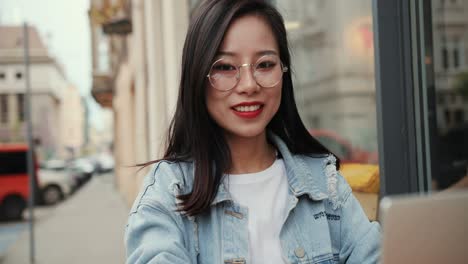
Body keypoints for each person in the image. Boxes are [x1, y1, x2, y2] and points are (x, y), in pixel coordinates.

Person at [125, 0, 380, 263]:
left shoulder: (323, 182)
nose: (249, 85)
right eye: (224, 67)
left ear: (284, 72)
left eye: (265, 64)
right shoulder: (168, 191)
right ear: (197, 76)